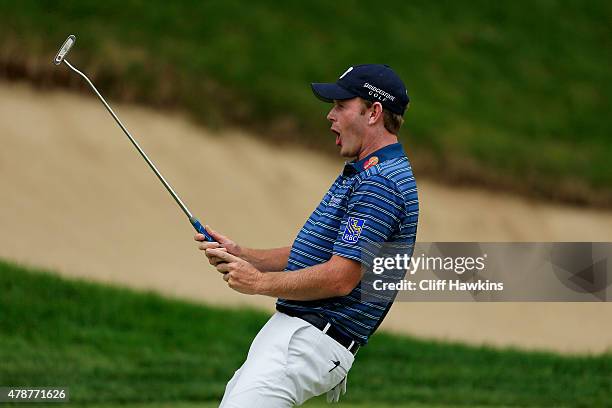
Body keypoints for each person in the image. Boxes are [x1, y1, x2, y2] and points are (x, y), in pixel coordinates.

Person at [195, 64, 419, 407]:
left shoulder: (380, 184)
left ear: (373, 112)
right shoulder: (366, 172)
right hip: (299, 334)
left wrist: (257, 282)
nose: (330, 116)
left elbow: (341, 277)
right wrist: (242, 254)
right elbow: (317, 252)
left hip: (310, 338)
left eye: (341, 106)